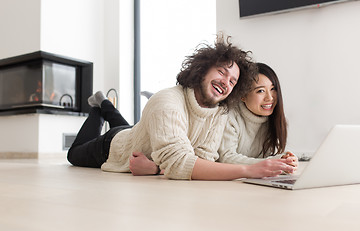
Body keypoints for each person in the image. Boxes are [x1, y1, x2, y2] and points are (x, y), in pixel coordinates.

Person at [68, 35, 295, 180]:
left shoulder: (219, 112)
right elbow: (179, 163)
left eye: (233, 81)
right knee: (74, 153)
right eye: (221, 72)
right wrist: (249, 170)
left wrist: (156, 168)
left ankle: (106, 105)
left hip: (141, 136)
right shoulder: (166, 100)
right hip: (113, 147)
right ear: (202, 69)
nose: (226, 82)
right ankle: (97, 111)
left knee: (133, 130)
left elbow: (203, 158)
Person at [130, 62, 297, 176]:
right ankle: (106, 109)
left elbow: (200, 159)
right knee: (124, 131)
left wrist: (281, 161)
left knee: (127, 127)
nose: (270, 97)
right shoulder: (225, 114)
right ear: (243, 96)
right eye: (260, 91)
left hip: (156, 146)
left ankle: (106, 110)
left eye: (273, 89)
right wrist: (267, 163)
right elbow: (223, 158)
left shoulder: (271, 120)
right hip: (116, 145)